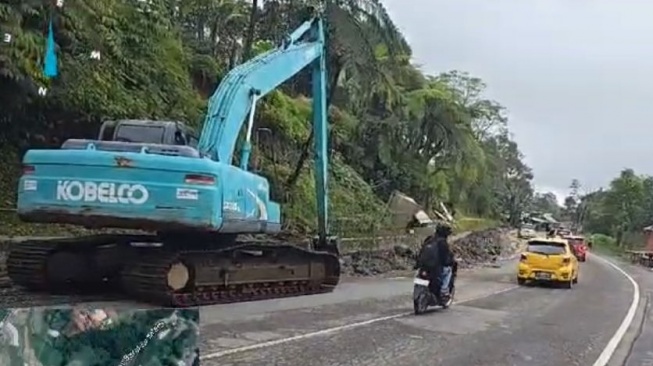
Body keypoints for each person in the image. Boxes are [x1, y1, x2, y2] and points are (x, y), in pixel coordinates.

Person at [416, 223, 455, 299]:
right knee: (448, 270)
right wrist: (450, 262)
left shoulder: (429, 239)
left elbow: (422, 250)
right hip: (435, 267)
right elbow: (445, 258)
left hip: (423, 265)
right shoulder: (443, 243)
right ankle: (444, 290)